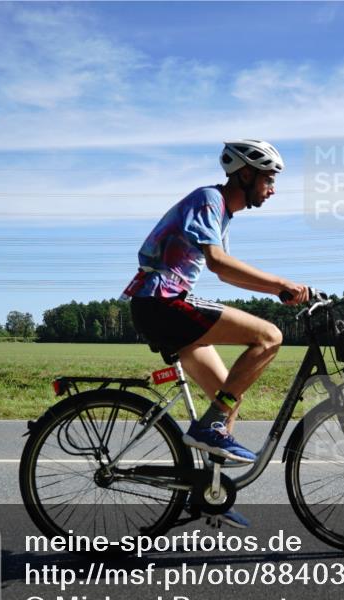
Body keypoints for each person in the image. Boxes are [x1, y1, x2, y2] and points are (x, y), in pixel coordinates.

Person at [123, 140, 309, 529]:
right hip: (162, 300)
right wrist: (280, 285)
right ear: (245, 174)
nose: (272, 189)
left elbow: (223, 271)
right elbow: (219, 263)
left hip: (159, 303)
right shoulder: (209, 199)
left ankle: (211, 493)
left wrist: (279, 288)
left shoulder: (222, 213)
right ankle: (209, 431)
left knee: (229, 395)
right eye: (268, 179)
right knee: (269, 336)